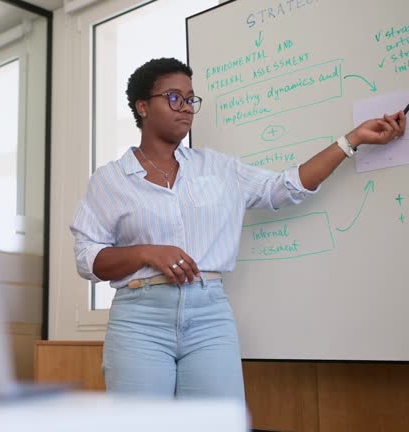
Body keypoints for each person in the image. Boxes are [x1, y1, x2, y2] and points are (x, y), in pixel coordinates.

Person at [70, 57, 405, 400]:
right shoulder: (110, 180)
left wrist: (352, 140)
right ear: (143, 106)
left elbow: (286, 186)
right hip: (140, 319)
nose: (186, 107)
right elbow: (87, 258)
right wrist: (146, 251)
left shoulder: (217, 167)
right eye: (174, 97)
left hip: (208, 316)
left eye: (190, 99)